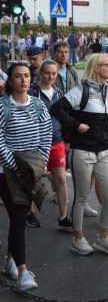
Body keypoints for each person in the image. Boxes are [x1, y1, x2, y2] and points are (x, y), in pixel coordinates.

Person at [51, 53, 108, 255]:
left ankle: (102, 237)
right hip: (82, 151)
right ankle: (78, 238)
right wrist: (76, 125)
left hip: (105, 150)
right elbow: (57, 109)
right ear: (97, 68)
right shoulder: (81, 90)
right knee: (81, 197)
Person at [0, 62, 52, 291]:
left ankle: (10, 260)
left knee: (17, 218)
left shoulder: (39, 106)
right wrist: (13, 165)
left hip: (32, 169)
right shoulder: (2, 107)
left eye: (27, 76)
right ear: (10, 81)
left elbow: (46, 135)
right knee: (19, 216)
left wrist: (39, 164)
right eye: (18, 77)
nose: (24, 80)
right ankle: (22, 271)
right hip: (7, 172)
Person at [28, 60, 72, 230]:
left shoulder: (60, 93)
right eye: (47, 73)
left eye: (54, 73)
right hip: (37, 143)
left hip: (57, 141)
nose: (51, 76)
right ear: (40, 73)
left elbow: (65, 117)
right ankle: (30, 213)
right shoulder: (32, 92)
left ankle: (63, 217)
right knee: (35, 180)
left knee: (61, 180)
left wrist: (67, 140)